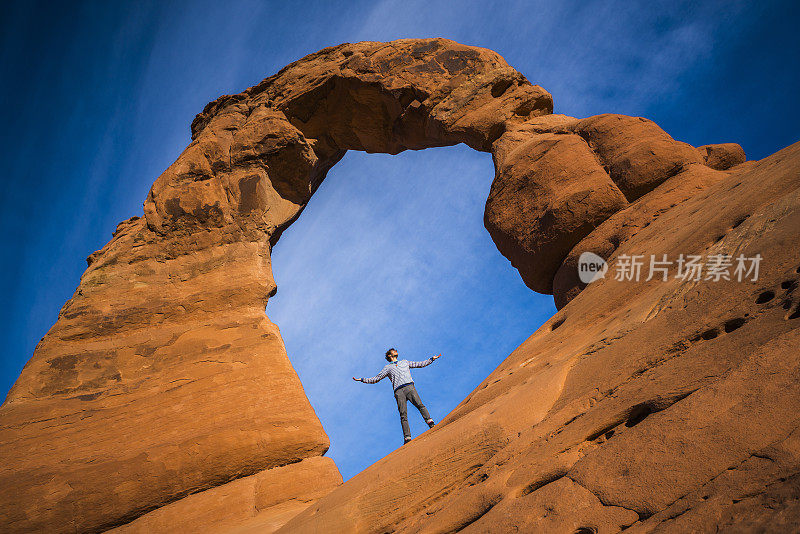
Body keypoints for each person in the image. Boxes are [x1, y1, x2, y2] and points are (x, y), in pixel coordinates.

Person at [353, 348, 441, 444]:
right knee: (403, 414)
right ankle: (407, 437)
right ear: (390, 356)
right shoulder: (387, 368)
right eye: (393, 351)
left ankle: (430, 422)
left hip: (409, 387)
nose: (396, 351)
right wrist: (362, 379)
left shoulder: (405, 362)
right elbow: (376, 379)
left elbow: (419, 364)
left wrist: (431, 359)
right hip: (399, 392)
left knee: (420, 405)